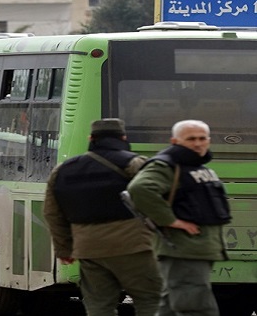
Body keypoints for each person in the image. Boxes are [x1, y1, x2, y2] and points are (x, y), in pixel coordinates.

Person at [43, 119, 162, 316]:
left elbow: (52, 213)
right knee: (151, 300)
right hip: (132, 246)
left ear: (91, 138)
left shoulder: (62, 170)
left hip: (89, 249)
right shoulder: (135, 163)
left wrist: (64, 248)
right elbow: (158, 197)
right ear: (124, 138)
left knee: (98, 306)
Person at [128, 120, 230, 316]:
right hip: (182, 248)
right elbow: (139, 188)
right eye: (191, 139)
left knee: (171, 306)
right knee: (196, 306)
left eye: (202, 139)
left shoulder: (196, 165)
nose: (198, 143)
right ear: (175, 141)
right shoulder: (166, 165)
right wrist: (170, 220)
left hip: (197, 247)